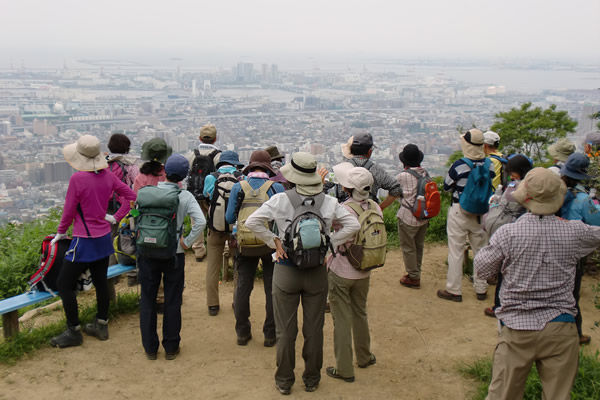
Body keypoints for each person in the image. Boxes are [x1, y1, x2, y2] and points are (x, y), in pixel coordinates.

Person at [474, 167, 600, 400]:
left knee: (503, 395)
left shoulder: (509, 234)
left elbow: (482, 269)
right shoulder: (574, 232)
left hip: (517, 328)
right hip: (561, 328)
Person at [245, 152, 360, 395]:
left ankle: (285, 380)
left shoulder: (280, 200)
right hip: (317, 271)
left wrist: (274, 240)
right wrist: (329, 243)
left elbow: (252, 222)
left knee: (285, 331)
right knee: (314, 329)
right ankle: (312, 378)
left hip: (286, 269)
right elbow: (354, 225)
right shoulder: (328, 202)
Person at [49, 135, 136, 348]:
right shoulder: (107, 175)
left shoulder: (78, 179)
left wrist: (60, 232)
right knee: (100, 282)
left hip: (84, 240)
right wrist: (115, 217)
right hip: (103, 238)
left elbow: (69, 210)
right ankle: (101, 323)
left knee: (63, 284)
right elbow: (130, 195)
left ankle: (74, 331)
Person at [137, 154, 205, 360]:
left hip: (147, 252)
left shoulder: (147, 193)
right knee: (172, 299)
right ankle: (171, 347)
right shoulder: (185, 196)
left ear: (164, 172)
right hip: (173, 253)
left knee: (147, 299)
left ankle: (150, 348)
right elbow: (200, 222)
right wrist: (187, 242)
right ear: (184, 175)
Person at [325, 162, 378, 384]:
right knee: (360, 312)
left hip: (341, 269)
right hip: (364, 269)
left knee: (342, 319)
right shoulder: (375, 206)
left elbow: (328, 227)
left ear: (347, 189)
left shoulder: (343, 209)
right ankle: (364, 356)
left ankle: (344, 368)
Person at [225, 150, 285, 346]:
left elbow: (229, 218)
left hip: (245, 244)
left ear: (250, 166)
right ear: (268, 167)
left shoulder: (238, 187)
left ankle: (242, 332)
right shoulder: (276, 187)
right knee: (271, 288)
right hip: (270, 244)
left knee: (243, 286)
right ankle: (270, 334)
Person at [438, 128, 495, 302]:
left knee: (456, 251)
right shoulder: (489, 165)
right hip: (481, 213)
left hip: (459, 210)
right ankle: (481, 288)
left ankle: (454, 290)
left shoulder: (459, 165)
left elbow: (447, 186)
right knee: (480, 250)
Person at [482, 154, 533, 318]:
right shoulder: (531, 185)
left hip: (513, 230)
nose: (511, 176)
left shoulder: (518, 187)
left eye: (513, 173)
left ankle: (499, 306)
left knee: (507, 270)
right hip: (523, 231)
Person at [558, 152, 600, 345]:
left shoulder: (557, 191)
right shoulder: (584, 199)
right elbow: (595, 223)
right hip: (574, 251)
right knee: (572, 293)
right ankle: (576, 334)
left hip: (553, 244)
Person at [204, 150, 243, 316]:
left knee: (212, 267)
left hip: (215, 228)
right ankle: (237, 301)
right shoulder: (241, 177)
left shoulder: (211, 177)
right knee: (238, 266)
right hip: (236, 229)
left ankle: (213, 304)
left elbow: (206, 198)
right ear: (235, 164)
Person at [396, 144, 430, 289]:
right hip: (423, 216)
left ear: (404, 162)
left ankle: (413, 277)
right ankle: (416, 272)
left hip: (407, 217)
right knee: (418, 246)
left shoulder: (402, 176)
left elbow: (395, 193)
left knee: (408, 247)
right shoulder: (425, 173)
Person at [340, 133, 403, 210]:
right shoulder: (376, 170)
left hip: (344, 214)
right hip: (368, 215)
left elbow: (324, 186)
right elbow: (396, 189)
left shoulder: (341, 169)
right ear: (370, 151)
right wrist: (380, 208)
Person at [188, 124, 221, 261]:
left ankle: (199, 251)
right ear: (215, 139)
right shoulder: (218, 155)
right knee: (215, 221)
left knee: (196, 222)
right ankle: (215, 249)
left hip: (195, 194)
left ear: (200, 138)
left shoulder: (192, 155)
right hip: (212, 195)